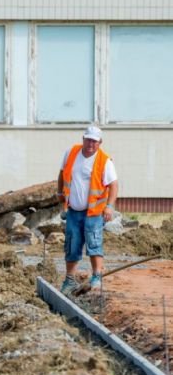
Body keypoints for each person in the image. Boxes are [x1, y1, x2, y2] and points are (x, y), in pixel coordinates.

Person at [57, 126, 119, 295]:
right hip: (73, 210)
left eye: (94, 141)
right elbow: (62, 173)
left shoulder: (104, 161)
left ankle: (96, 277)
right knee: (72, 244)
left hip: (94, 211)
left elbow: (113, 185)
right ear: (83, 138)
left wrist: (109, 206)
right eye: (88, 140)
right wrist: (59, 192)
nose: (91, 144)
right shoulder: (71, 153)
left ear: (100, 143)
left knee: (94, 243)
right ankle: (69, 280)